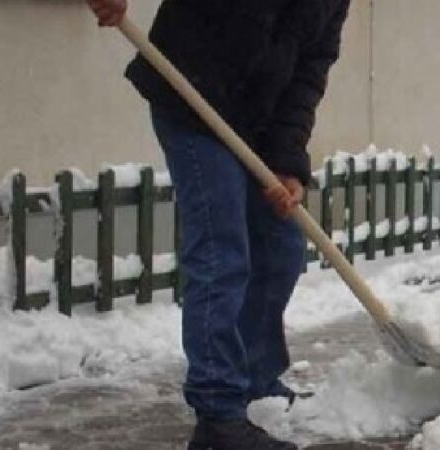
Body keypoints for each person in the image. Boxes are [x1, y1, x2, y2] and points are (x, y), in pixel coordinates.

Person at [87, 0, 351, 448]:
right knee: (222, 251)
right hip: (191, 97)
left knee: (281, 247)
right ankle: (218, 413)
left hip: (258, 124)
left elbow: (308, 76)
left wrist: (286, 163)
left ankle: (256, 380)